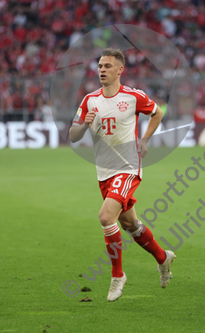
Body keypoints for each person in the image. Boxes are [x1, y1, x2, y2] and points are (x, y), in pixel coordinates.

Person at [69, 48, 176, 302]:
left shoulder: (133, 96)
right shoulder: (89, 100)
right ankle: (163, 258)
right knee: (129, 224)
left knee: (106, 217)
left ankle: (118, 275)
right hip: (103, 172)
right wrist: (84, 123)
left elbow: (157, 112)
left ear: (120, 69)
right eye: (100, 66)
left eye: (107, 66)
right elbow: (72, 135)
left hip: (127, 167)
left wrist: (145, 139)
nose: (102, 70)